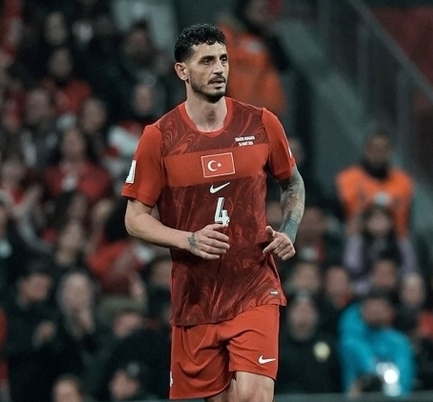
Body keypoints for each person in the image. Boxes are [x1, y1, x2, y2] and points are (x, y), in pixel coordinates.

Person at [121, 23, 305, 402]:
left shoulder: (261, 123)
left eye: (223, 59)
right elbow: (134, 219)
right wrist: (188, 240)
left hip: (253, 286)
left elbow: (293, 183)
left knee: (252, 396)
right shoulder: (160, 137)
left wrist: (289, 229)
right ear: (182, 71)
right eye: (206, 61)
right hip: (196, 297)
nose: (219, 68)